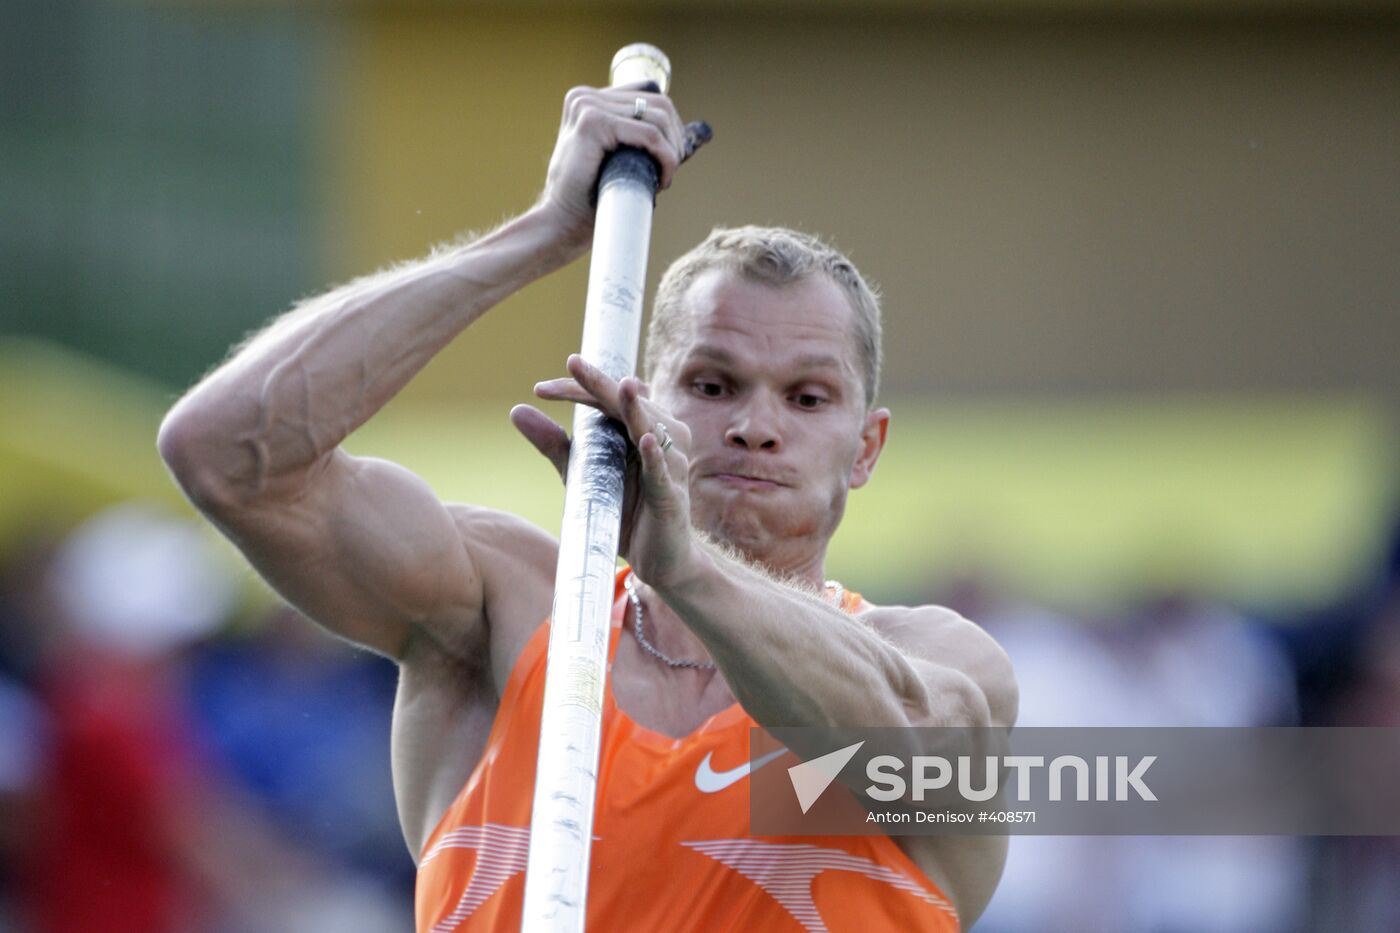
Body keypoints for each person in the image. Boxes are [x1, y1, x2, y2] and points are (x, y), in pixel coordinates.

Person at [157, 81, 1017, 932]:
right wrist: (540, 235)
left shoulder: (942, 665)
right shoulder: (509, 609)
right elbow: (225, 456)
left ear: (865, 446)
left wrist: (686, 572)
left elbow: (912, 747)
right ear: (644, 394)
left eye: (807, 398)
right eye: (713, 383)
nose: (756, 426)